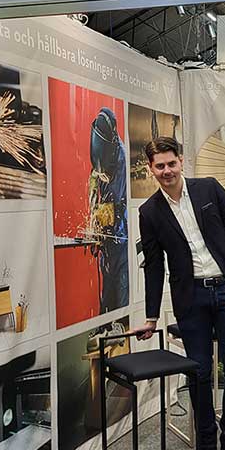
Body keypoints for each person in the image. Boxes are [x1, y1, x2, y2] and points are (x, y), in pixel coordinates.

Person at [134, 137, 225, 450]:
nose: (167, 171)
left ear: (181, 161)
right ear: (151, 169)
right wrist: (150, 316)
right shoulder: (149, 212)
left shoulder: (209, 189)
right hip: (191, 301)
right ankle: (206, 446)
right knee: (199, 373)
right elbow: (154, 266)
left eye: (171, 163)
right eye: (159, 166)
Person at [89, 108, 129, 312]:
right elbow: (96, 188)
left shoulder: (121, 158)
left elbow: (115, 200)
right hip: (109, 245)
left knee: (122, 298)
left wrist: (100, 226)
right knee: (107, 298)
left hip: (121, 239)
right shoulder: (103, 153)